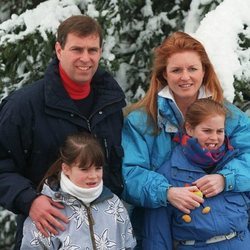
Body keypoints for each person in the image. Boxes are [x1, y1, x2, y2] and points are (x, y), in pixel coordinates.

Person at [0, 15, 126, 249]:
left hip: (106, 235)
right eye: (76, 49)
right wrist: (29, 201)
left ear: (101, 51)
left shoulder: (111, 104)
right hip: (46, 233)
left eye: (92, 50)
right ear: (59, 50)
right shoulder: (23, 107)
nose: (85, 58)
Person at [121, 31, 250, 248]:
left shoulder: (228, 115)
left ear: (204, 71)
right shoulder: (141, 121)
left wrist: (225, 178)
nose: (185, 77)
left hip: (230, 230)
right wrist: (166, 192)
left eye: (192, 69)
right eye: (176, 70)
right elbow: (129, 174)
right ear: (164, 74)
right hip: (167, 231)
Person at [143, 98, 250, 249]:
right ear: (190, 129)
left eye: (220, 131)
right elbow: (157, 236)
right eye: (207, 131)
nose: (214, 138)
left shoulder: (235, 166)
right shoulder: (168, 175)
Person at [20, 132, 136, 249]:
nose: (93, 176)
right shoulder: (47, 210)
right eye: (84, 169)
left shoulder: (114, 204)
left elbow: (128, 244)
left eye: (98, 168)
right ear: (66, 169)